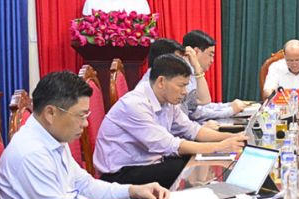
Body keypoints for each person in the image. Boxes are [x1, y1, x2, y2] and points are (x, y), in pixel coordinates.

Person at [0, 71, 168, 199]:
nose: (86, 124)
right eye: (81, 115)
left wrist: (133, 190)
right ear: (51, 113)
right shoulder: (29, 154)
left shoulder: (52, 137)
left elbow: (86, 186)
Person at [94, 54, 246, 188]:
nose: (185, 92)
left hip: (148, 162)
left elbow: (193, 130)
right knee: (188, 166)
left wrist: (233, 138)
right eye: (181, 86)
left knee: (194, 160)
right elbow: (171, 145)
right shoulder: (135, 104)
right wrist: (219, 146)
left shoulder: (168, 100)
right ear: (161, 81)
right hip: (119, 174)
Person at [181, 30, 248, 120]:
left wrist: (228, 105)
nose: (212, 60)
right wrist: (230, 110)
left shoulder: (193, 72)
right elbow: (195, 113)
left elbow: (203, 105)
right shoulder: (182, 73)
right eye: (210, 55)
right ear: (196, 52)